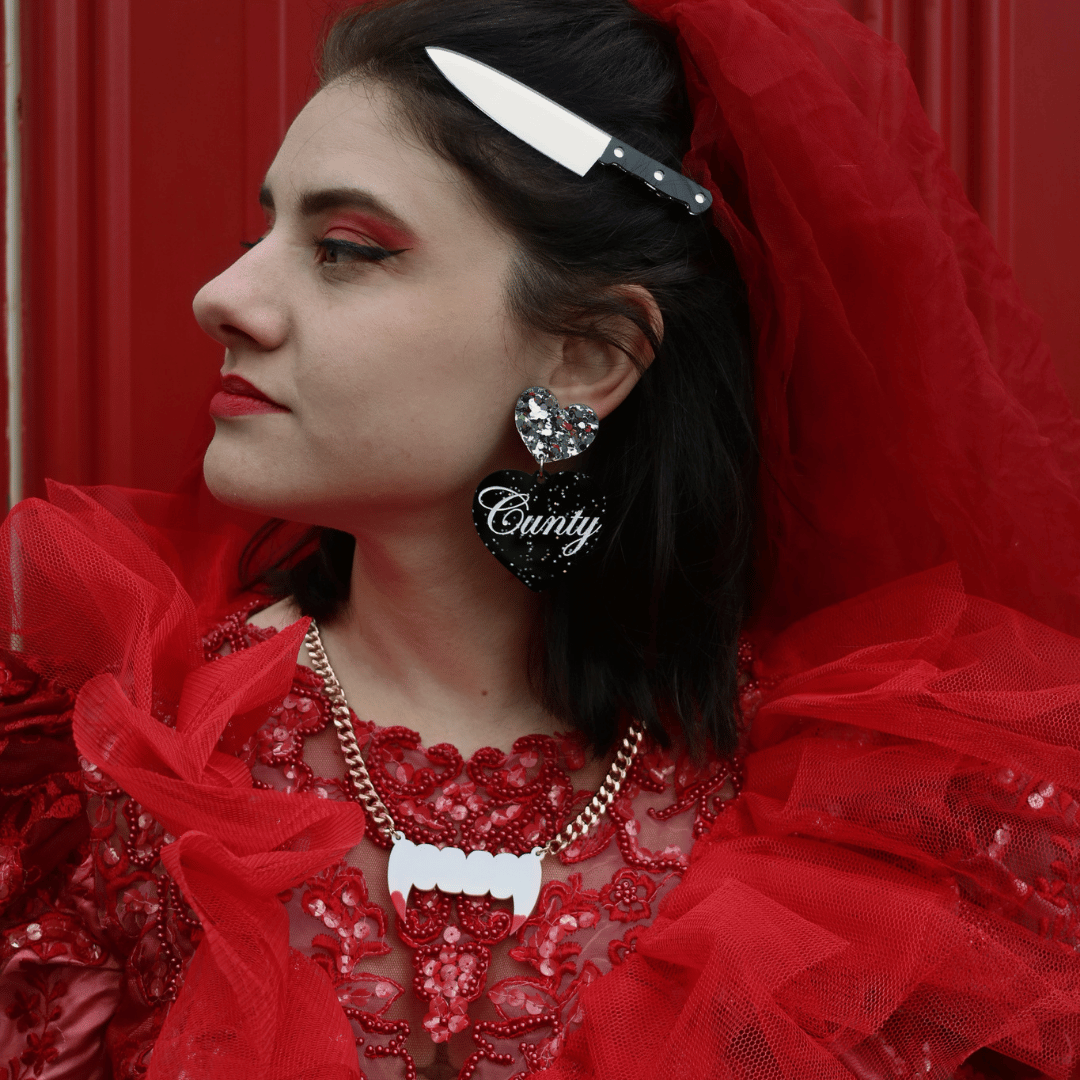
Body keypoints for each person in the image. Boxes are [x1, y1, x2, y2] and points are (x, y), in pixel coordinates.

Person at [2, 0, 1079, 1077]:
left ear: (585, 358)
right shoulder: (107, 750)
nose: (221, 297)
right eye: (259, 238)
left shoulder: (859, 825)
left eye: (343, 249)